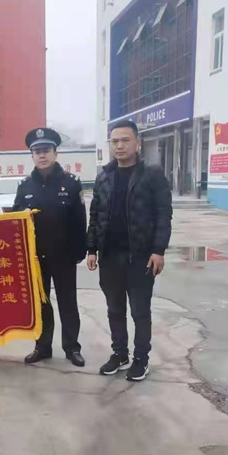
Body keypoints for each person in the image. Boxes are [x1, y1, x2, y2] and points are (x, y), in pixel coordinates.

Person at [87, 120, 172, 381]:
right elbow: (95, 214)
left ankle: (141, 359)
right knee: (114, 309)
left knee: (139, 312)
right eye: (115, 141)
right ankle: (120, 354)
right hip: (110, 256)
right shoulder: (104, 175)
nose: (120, 146)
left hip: (141, 257)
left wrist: (158, 250)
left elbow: (163, 214)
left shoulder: (152, 174)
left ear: (138, 143)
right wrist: (92, 249)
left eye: (125, 140)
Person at [13, 127, 87, 367]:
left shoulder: (71, 183)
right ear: (32, 155)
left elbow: (79, 220)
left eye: (46, 150)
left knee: (68, 303)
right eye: (37, 152)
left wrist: (80, 251)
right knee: (40, 303)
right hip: (36, 257)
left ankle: (72, 348)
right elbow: (15, 220)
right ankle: (42, 346)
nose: (42, 155)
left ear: (56, 153)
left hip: (64, 255)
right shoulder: (25, 186)